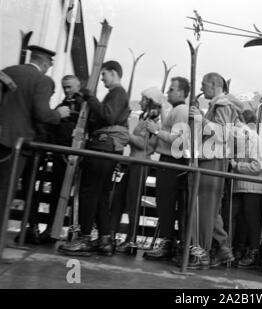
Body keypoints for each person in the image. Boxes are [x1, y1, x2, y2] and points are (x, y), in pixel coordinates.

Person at [58, 60, 130, 257]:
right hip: (108, 149)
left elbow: (107, 116)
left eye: (104, 74)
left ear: (113, 73)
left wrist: (91, 99)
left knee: (90, 193)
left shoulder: (117, 92)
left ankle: (84, 238)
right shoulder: (117, 94)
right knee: (100, 195)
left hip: (103, 148)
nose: (102, 79)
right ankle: (105, 239)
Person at [0, 45, 70, 240]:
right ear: (45, 63)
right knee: (5, 194)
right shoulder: (42, 80)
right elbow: (41, 113)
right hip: (17, 143)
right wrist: (58, 114)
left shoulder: (7, 71)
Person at [19, 75, 84, 245]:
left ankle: (55, 230)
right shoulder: (62, 107)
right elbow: (50, 129)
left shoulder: (83, 107)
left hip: (70, 155)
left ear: (78, 86)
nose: (67, 90)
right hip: (57, 154)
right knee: (55, 194)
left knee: (65, 195)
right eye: (65, 87)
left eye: (70, 87)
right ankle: (50, 229)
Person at [188, 72, 243, 269]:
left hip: (213, 159)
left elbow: (223, 134)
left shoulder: (222, 105)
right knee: (210, 208)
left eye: (204, 84)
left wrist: (200, 119)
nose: (202, 89)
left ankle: (201, 252)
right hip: (213, 158)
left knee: (203, 208)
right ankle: (222, 248)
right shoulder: (220, 105)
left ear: (213, 84)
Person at [110, 87, 164, 253]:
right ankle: (111, 234)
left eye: (143, 98)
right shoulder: (144, 118)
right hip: (134, 162)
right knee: (119, 197)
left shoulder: (153, 121)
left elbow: (144, 144)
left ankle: (131, 239)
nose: (140, 101)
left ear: (149, 101)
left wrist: (126, 135)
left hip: (141, 164)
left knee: (132, 202)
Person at [142, 77, 190, 260]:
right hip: (171, 161)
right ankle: (170, 241)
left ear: (180, 92)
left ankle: (167, 242)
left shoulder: (180, 110)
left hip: (171, 162)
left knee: (166, 203)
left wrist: (156, 131)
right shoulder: (177, 110)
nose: (168, 92)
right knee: (166, 204)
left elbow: (179, 140)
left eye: (171, 89)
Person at [226, 109, 262, 269]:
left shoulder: (255, 140)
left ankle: (253, 251)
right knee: (243, 220)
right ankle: (241, 248)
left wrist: (237, 165)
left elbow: (258, 166)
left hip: (253, 186)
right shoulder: (247, 140)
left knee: (251, 220)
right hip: (244, 185)